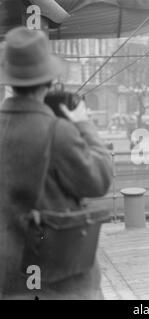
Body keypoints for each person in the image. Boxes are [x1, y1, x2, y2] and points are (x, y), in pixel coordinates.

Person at [0, 27, 113, 299]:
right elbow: (99, 179)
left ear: (9, 81)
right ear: (49, 82)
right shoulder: (57, 131)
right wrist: (83, 124)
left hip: (9, 277)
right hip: (57, 279)